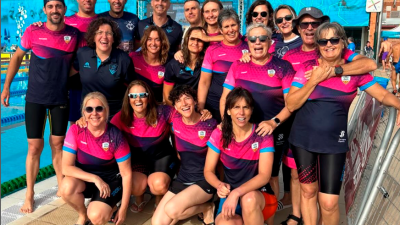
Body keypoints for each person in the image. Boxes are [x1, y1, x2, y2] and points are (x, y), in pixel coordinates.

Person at [286, 22, 400, 225]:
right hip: (303, 140)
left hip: (333, 144)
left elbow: (382, 94)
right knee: (308, 191)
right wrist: (314, 80)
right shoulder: (307, 69)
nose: (328, 44)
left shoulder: (355, 73)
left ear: (343, 42)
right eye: (323, 41)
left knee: (329, 203)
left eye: (334, 39)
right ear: (318, 45)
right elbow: (292, 104)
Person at [0, 0, 80, 213]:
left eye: (58, 6)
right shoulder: (33, 31)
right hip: (35, 97)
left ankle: (62, 185)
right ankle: (30, 194)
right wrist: (7, 87)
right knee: (35, 147)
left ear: (64, 9)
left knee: (58, 143)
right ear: (44, 10)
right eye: (50, 6)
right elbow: (17, 56)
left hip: (61, 98)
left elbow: (82, 62)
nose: (55, 10)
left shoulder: (73, 35)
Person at [220, 23, 294, 225]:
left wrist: (274, 121)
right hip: (242, 130)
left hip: (271, 131)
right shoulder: (238, 65)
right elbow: (225, 98)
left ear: (270, 42)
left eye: (262, 39)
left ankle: (267, 219)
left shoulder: (282, 67)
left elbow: (291, 104)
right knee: (240, 170)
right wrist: (225, 124)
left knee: (269, 176)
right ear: (248, 43)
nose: (257, 43)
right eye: (253, 39)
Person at [205, 87, 277, 225]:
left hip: (258, 197)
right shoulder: (219, 134)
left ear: (251, 110)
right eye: (236, 107)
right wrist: (219, 185)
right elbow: (208, 171)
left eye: (246, 107)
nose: (241, 112)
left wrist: (236, 193)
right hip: (230, 196)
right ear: (228, 110)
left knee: (248, 199)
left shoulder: (262, 134)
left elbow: (264, 176)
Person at [61, 92, 132, 225]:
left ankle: (109, 206)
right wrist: (95, 178)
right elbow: (66, 168)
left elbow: (127, 174)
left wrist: (123, 209)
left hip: (110, 183)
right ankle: (83, 215)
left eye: (99, 108)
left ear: (106, 111)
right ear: (84, 112)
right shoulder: (76, 130)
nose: (94, 113)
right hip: (88, 181)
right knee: (65, 188)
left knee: (96, 216)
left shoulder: (116, 136)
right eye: (89, 109)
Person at [152, 85, 216, 225]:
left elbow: (221, 159)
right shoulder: (175, 122)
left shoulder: (210, 124)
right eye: (179, 101)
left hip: (204, 180)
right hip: (183, 178)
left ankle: (207, 207)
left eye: (187, 98)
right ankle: (188, 207)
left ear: (195, 102)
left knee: (172, 209)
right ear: (175, 106)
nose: (184, 103)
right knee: (157, 223)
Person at [110, 80, 178, 212]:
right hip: (138, 159)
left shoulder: (163, 112)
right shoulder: (121, 117)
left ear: (149, 96)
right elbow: (103, 132)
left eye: (142, 95)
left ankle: (159, 199)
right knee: (134, 186)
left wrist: (203, 114)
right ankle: (140, 197)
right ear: (128, 99)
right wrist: (84, 122)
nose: (138, 99)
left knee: (158, 185)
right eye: (133, 96)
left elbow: (185, 119)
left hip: (161, 157)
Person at [71, 17, 135, 118]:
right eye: (99, 32)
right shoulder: (82, 54)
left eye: (109, 33)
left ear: (114, 39)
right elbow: (67, 73)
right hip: (90, 115)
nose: (104, 36)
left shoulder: (124, 59)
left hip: (115, 116)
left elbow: (132, 89)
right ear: (93, 36)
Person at [198, 8, 249, 122]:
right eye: (226, 27)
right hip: (214, 106)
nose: (230, 30)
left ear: (239, 26)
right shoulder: (212, 50)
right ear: (220, 30)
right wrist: (200, 107)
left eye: (233, 25)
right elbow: (204, 82)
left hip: (242, 108)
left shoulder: (249, 47)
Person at [164, 26, 209, 105]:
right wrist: (179, 110)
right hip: (179, 108)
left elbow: (227, 39)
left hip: (199, 107)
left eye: (200, 40)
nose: (195, 43)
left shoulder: (207, 63)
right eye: (192, 39)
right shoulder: (173, 64)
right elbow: (167, 94)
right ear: (186, 40)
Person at [130, 25, 170, 103]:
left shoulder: (167, 65)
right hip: (134, 106)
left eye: (157, 39)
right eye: (150, 39)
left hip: (155, 108)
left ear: (162, 42)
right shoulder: (133, 58)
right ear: (145, 41)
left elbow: (165, 96)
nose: (153, 43)